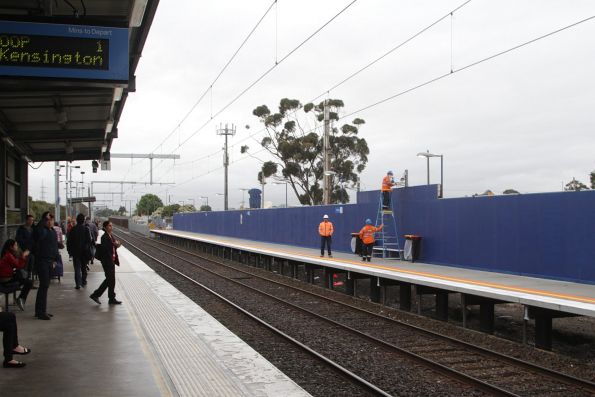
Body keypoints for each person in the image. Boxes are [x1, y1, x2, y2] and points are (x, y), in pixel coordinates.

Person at [33, 211, 60, 320]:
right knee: (44, 285)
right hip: (42, 261)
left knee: (45, 286)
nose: (50, 222)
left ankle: (40, 310)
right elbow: (36, 233)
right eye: (47, 220)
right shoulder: (41, 231)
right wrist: (43, 218)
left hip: (50, 261)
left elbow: (55, 247)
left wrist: (55, 260)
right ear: (44, 221)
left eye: (51, 220)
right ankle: (41, 312)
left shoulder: (53, 232)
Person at [90, 220, 122, 305]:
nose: (111, 227)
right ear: (105, 227)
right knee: (110, 279)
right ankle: (96, 294)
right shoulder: (104, 236)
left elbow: (113, 245)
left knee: (111, 280)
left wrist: (117, 245)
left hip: (111, 260)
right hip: (107, 261)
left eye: (111, 225)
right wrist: (114, 245)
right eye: (110, 226)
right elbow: (105, 250)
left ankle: (111, 298)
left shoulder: (110, 235)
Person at [0, 239, 33, 311]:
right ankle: (21, 298)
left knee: (20, 275)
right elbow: (18, 265)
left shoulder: (7, 254)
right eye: (15, 245)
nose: (17, 247)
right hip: (6, 280)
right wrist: (23, 256)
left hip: (6, 277)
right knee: (29, 282)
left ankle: (20, 298)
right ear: (11, 247)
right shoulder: (8, 255)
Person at [67, 214, 93, 289]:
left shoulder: (73, 229)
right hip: (84, 252)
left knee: (77, 268)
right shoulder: (86, 229)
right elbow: (89, 241)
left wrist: (69, 251)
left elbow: (69, 241)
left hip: (75, 252)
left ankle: (78, 284)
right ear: (83, 220)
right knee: (84, 268)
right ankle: (83, 281)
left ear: (77, 220)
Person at [15, 215, 35, 283]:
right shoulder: (21, 229)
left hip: (31, 251)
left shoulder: (32, 229)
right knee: (24, 266)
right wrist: (27, 245)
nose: (31, 221)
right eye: (30, 220)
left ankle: (29, 281)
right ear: (26, 220)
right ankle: (23, 281)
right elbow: (19, 239)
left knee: (31, 266)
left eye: (32, 220)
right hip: (23, 251)